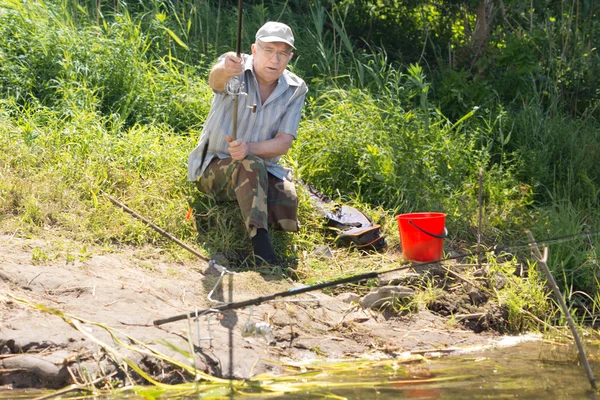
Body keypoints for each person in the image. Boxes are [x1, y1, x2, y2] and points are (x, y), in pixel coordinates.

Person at [187, 21, 307, 265]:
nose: (275, 59)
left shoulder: (296, 88)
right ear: (254, 49)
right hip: (214, 166)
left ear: (290, 56)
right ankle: (261, 249)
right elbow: (215, 81)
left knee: (287, 202)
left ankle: (247, 201)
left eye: (282, 53)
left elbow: (283, 143)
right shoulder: (235, 69)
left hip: (261, 167)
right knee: (249, 165)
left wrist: (249, 148)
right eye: (268, 50)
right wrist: (226, 68)